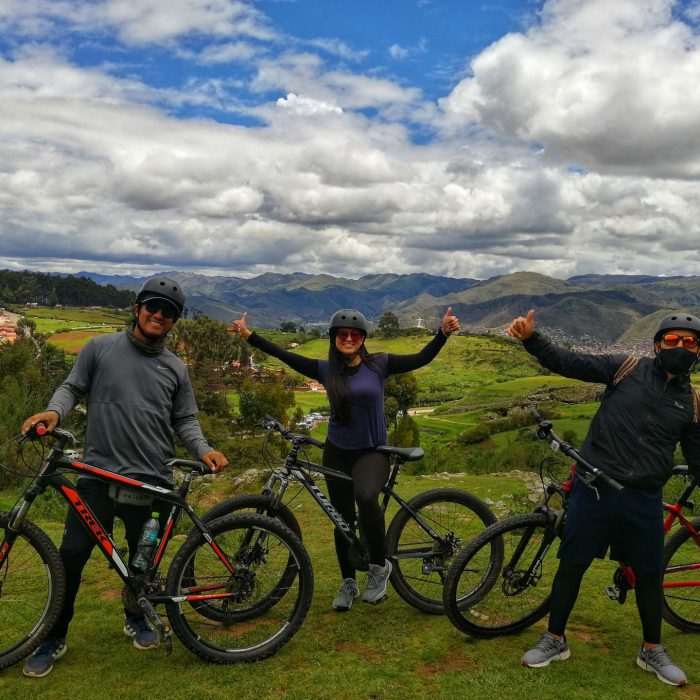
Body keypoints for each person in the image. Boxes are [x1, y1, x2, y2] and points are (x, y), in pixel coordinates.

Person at [21, 276, 228, 678]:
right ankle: (52, 635)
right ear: (137, 308)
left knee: (141, 563)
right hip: (96, 476)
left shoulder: (175, 368)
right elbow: (71, 387)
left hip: (151, 481)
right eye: (153, 306)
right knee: (72, 558)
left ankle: (135, 617)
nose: (159, 315)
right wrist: (53, 412)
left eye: (169, 312)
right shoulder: (99, 348)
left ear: (174, 321)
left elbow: (185, 419)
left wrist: (203, 449)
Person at [506, 309, 700, 687]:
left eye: (689, 341)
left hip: (643, 497)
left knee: (647, 576)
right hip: (593, 487)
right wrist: (532, 338)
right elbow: (570, 361)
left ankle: (652, 650)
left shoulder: (692, 404)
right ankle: (555, 639)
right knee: (572, 564)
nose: (680, 346)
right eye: (672, 340)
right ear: (657, 344)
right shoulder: (625, 368)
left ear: (698, 351)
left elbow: (697, 459)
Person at [229, 307, 460, 610]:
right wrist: (250, 336)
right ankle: (348, 582)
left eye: (354, 334)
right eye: (342, 334)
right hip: (336, 452)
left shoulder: (380, 363)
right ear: (334, 338)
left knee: (365, 498)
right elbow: (286, 356)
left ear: (362, 338)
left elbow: (420, 358)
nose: (348, 338)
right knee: (342, 521)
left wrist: (441, 334)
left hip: (372, 451)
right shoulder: (327, 370)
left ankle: (379, 568)